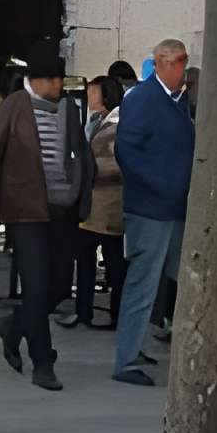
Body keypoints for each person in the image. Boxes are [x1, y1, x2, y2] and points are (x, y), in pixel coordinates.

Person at [0, 50, 87, 391]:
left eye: (60, 79)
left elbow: (81, 154)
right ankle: (43, 362)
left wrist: (83, 194)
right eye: (53, 80)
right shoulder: (14, 106)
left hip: (62, 210)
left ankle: (14, 325)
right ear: (36, 81)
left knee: (60, 285)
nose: (58, 86)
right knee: (36, 286)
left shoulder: (68, 108)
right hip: (25, 211)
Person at [112, 38, 193, 384]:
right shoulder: (144, 98)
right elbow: (126, 151)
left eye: (183, 62)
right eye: (175, 62)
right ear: (161, 63)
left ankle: (136, 347)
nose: (180, 69)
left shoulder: (178, 100)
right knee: (143, 283)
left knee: (181, 275)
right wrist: (163, 185)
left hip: (173, 207)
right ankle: (126, 359)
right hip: (151, 208)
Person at [74, 68, 128, 331]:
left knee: (114, 263)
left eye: (93, 91)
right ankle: (83, 311)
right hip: (93, 206)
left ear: (105, 95)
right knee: (86, 259)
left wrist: (86, 171)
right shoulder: (96, 121)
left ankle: (116, 314)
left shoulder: (118, 125)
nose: (89, 95)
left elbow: (112, 165)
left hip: (110, 207)